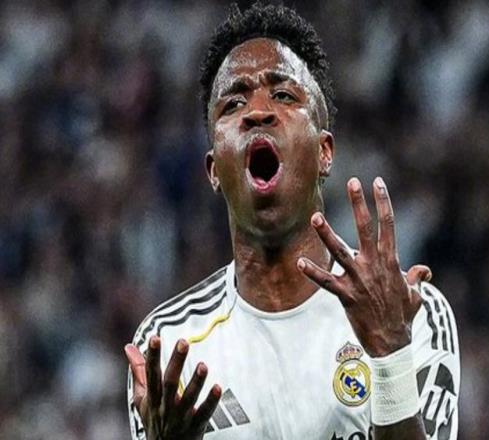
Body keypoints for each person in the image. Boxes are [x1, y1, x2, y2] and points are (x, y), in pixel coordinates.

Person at [124, 3, 460, 439]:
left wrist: (390, 352)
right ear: (213, 170)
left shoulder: (409, 310)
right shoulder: (170, 345)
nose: (257, 112)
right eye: (234, 103)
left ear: (325, 152)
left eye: (283, 95)